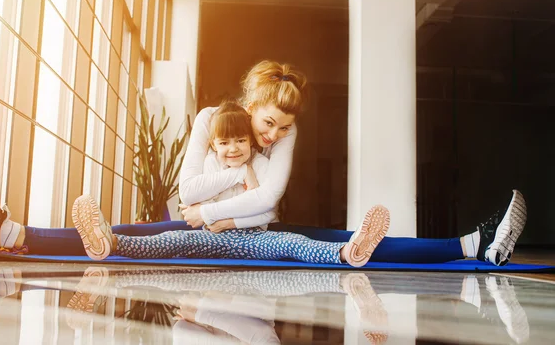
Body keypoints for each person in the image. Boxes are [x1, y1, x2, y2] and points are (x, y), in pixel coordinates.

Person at [0, 60, 527, 266]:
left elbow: (269, 201)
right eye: (266, 122)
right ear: (246, 103)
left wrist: (221, 212)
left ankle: (474, 246)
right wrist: (234, 176)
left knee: (332, 239)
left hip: (250, 228)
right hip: (194, 223)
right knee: (135, 235)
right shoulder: (211, 120)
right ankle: (8, 230)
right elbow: (187, 192)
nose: (274, 134)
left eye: (283, 126)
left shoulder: (287, 134)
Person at [71, 100, 390, 266]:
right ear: (214, 145)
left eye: (240, 141)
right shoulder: (210, 166)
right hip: (207, 239)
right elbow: (192, 201)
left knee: (294, 244)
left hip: (254, 240)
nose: (233, 149)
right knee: (165, 241)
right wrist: (233, 185)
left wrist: (223, 221)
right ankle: (108, 244)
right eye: (225, 143)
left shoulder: (262, 164)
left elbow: (266, 214)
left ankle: (349, 251)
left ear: (251, 142)